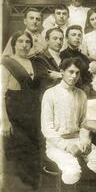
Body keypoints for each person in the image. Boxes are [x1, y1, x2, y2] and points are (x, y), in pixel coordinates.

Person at [41, 57, 96, 185]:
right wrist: (67, 146)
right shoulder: (50, 94)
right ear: (62, 72)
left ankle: (83, 185)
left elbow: (84, 122)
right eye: (71, 72)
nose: (74, 76)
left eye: (77, 73)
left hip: (78, 139)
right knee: (73, 172)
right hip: (56, 144)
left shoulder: (81, 94)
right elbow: (47, 128)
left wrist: (86, 139)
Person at [1, 31, 44, 189]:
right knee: (18, 152)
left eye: (27, 42)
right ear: (14, 44)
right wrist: (4, 121)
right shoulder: (6, 63)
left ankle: (33, 186)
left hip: (33, 113)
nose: (24, 45)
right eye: (20, 41)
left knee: (33, 150)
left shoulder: (34, 62)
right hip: (15, 113)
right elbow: (1, 94)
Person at [60, 25, 92, 93]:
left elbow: (88, 78)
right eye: (73, 35)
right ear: (66, 38)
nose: (77, 38)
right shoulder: (61, 56)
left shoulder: (85, 58)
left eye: (79, 35)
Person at [36, 28, 64, 93]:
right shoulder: (40, 59)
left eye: (61, 39)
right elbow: (45, 83)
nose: (59, 42)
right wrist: (66, 76)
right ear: (47, 40)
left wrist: (60, 75)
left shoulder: (66, 58)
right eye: (55, 38)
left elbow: (78, 80)